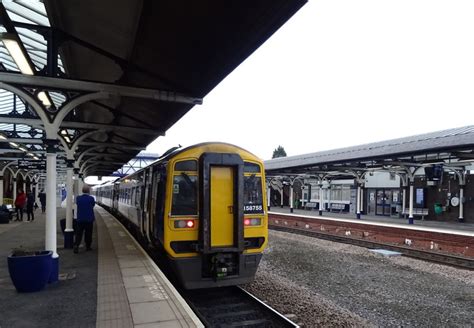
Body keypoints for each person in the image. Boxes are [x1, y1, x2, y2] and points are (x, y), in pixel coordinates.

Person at [74, 184, 95, 253]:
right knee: (88, 233)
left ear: (82, 191)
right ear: (88, 191)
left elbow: (77, 204)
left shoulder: (78, 198)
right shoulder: (91, 198)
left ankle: (76, 245)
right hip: (89, 219)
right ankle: (88, 246)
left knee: (79, 233)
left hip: (80, 219)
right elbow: (93, 205)